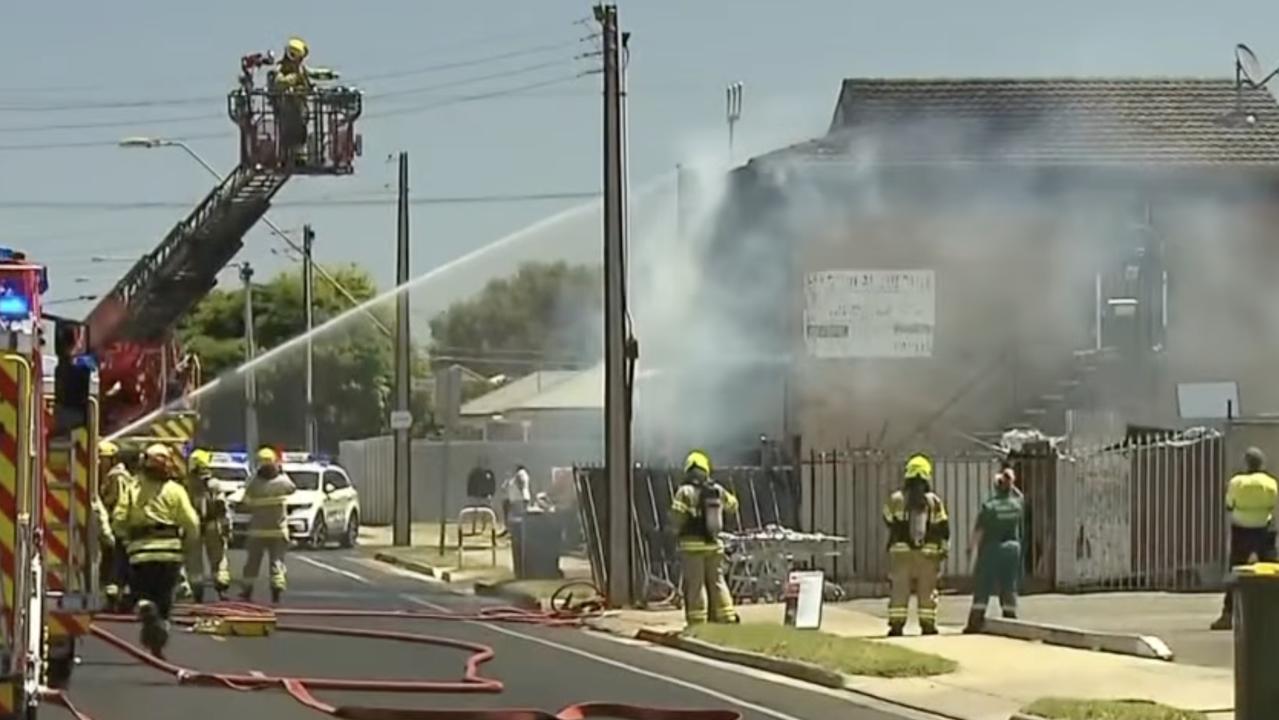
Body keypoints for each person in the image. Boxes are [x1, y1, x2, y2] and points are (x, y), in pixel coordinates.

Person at [111, 444, 199, 658]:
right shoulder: (176, 491)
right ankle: (159, 637)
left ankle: (144, 606)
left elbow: (119, 519)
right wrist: (185, 547)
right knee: (165, 601)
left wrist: (125, 540)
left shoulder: (133, 488)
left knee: (142, 592)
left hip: (140, 555)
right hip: (170, 555)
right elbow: (192, 523)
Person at [1211, 446, 1278, 630]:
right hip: (1264, 528)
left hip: (1241, 529)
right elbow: (1272, 504)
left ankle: (1227, 615)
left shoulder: (1237, 482)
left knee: (1236, 571)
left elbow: (1229, 504)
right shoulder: (1270, 482)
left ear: (1246, 463)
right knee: (1272, 572)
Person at [670, 450, 740, 625]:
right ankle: (727, 616)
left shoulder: (684, 491)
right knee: (717, 582)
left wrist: (674, 529)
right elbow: (733, 505)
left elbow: (677, 516)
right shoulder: (716, 490)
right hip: (714, 545)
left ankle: (697, 622)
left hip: (692, 547)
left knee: (696, 585)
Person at [883, 453, 950, 636]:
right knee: (927, 589)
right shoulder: (934, 501)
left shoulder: (896, 498)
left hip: (901, 552)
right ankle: (927, 625)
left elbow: (888, 518)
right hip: (928, 554)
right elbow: (943, 527)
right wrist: (942, 549)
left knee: (899, 588)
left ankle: (897, 625)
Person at [964, 464, 1025, 633]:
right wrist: (1010, 482)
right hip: (1012, 549)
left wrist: (970, 548)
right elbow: (1020, 496)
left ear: (995, 487)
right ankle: (1011, 619)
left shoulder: (989, 507)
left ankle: (975, 621)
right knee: (1008, 585)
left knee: (983, 584)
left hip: (992, 549)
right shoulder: (1016, 505)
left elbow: (979, 531)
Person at [238, 447, 296, 604]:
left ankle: (247, 591)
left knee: (252, 564)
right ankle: (276, 592)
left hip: (257, 532)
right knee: (277, 562)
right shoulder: (283, 481)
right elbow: (292, 488)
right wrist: (282, 472)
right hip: (278, 531)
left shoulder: (254, 482)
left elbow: (245, 501)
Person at [183, 449, 231, 603]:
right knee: (218, 558)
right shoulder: (215, 484)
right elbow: (223, 507)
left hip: (194, 526)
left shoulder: (187, 485)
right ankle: (221, 584)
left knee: (194, 560)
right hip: (213, 524)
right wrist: (226, 528)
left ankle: (197, 590)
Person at [270, 37, 314, 164]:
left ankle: (299, 157)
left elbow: (308, 78)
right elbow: (279, 82)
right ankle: (286, 156)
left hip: (299, 109)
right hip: (285, 109)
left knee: (301, 133)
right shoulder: (280, 69)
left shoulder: (299, 70)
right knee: (288, 133)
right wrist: (294, 78)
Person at [500, 465, 531, 536]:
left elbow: (521, 483)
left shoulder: (521, 473)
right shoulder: (517, 476)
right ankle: (516, 533)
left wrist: (521, 492)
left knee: (517, 518)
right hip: (518, 499)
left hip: (519, 499)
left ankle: (518, 534)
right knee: (516, 517)